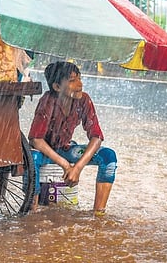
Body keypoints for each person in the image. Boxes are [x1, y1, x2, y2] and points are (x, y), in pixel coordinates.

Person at [28, 61, 117, 216]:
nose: (80, 84)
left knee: (108, 156)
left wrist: (77, 168)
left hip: (66, 148)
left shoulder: (83, 100)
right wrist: (64, 165)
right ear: (56, 87)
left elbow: (96, 137)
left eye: (79, 78)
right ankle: (32, 212)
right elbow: (35, 139)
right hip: (44, 153)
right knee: (32, 158)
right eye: (72, 80)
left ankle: (99, 214)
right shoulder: (48, 100)